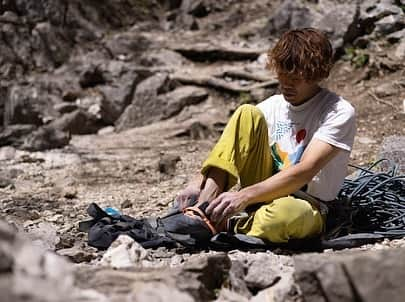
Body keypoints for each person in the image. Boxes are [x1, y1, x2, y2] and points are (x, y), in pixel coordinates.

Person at [176, 28, 356, 243]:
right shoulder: (271, 106)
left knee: (284, 217)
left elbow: (305, 171)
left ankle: (225, 222)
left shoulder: (338, 111)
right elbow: (228, 151)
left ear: (317, 74)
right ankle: (204, 207)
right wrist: (197, 183)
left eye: (296, 78)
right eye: (282, 75)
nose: (287, 84)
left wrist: (243, 195)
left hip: (304, 202)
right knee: (246, 112)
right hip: (259, 193)